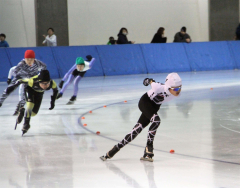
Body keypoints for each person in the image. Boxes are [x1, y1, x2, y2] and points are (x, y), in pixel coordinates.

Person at [100, 73, 182, 162]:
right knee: (156, 121)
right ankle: (149, 147)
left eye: (180, 87)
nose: (179, 91)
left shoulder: (175, 93)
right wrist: (147, 81)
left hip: (154, 107)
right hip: (145, 102)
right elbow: (151, 81)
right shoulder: (159, 87)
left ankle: (113, 151)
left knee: (136, 130)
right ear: (169, 87)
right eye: (176, 88)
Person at [14, 70, 58, 136]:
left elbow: (55, 91)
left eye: (47, 83)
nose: (45, 86)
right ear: (38, 81)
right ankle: (26, 124)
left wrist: (52, 102)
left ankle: (23, 112)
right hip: (30, 90)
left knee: (33, 113)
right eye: (42, 83)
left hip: (39, 94)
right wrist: (17, 82)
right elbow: (22, 80)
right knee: (30, 104)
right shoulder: (32, 81)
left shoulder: (52, 83)